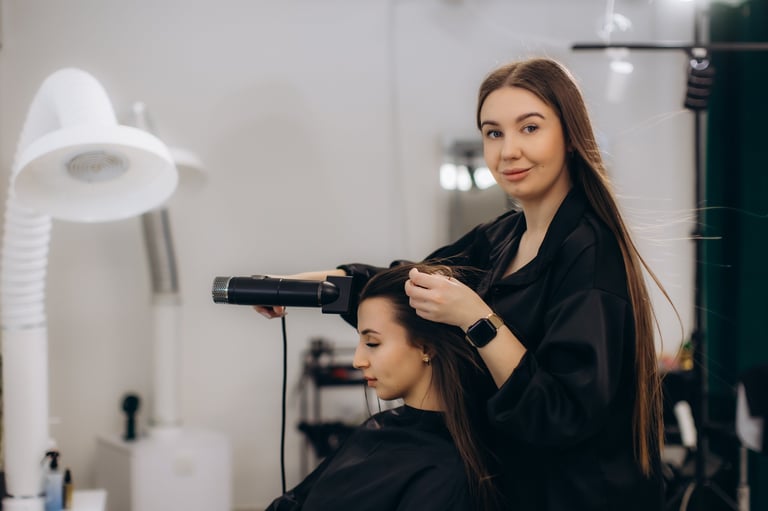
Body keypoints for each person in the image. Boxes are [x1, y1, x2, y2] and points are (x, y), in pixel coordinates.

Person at [258, 57, 673, 510]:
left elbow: (559, 414)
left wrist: (477, 317)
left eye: (529, 128)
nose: (508, 150)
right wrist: (293, 286)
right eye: (493, 133)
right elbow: (404, 289)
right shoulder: (501, 237)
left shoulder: (592, 256)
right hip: (509, 482)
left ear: (570, 136)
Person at [266, 263, 506, 511]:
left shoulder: (445, 474)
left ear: (426, 348)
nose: (357, 361)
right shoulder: (379, 427)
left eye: (372, 342)